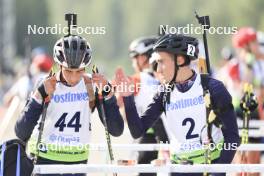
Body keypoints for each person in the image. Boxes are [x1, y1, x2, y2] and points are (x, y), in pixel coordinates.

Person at [115, 34, 240, 176]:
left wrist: (218, 171)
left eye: (162, 62)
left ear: (180, 60)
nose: (158, 69)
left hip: (209, 166)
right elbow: (137, 131)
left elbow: (233, 137)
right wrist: (128, 98)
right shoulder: (164, 92)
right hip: (178, 169)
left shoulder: (213, 88)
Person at [15, 34, 124, 176]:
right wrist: (39, 95)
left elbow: (116, 130)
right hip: (44, 160)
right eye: (68, 71)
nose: (73, 77)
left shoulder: (90, 84)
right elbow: (21, 132)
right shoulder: (45, 83)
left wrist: (108, 92)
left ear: (86, 67)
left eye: (79, 71)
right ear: (59, 65)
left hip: (77, 163)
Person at [117, 36, 169, 176]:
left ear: (144, 58)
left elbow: (117, 104)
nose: (133, 62)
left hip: (145, 138)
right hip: (167, 138)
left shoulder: (137, 79)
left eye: (135, 58)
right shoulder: (167, 78)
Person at [231, 27, 264, 176]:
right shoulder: (238, 64)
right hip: (241, 114)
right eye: (255, 42)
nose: (258, 45)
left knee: (255, 162)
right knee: (244, 163)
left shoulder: (258, 63)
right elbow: (242, 88)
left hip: (255, 112)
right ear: (246, 46)